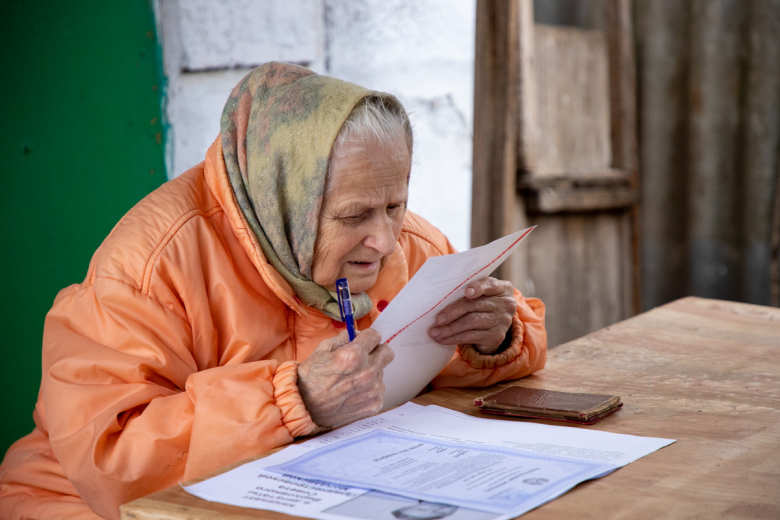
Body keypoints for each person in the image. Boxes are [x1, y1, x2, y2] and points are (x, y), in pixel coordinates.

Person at [0, 62, 546, 520]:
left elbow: (448, 357)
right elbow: (111, 460)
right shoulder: (149, 267)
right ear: (285, 199)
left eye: (395, 205)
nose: (382, 240)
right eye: (354, 215)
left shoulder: (406, 242)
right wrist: (293, 401)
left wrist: (496, 338)